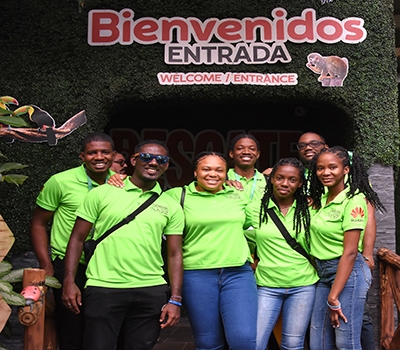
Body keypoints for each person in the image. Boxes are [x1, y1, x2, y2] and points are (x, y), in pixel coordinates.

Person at [62, 140, 184, 350]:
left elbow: (174, 254)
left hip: (151, 289)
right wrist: (69, 281)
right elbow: (77, 239)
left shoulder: (171, 205)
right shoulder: (101, 194)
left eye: (161, 160)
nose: (153, 162)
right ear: (134, 160)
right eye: (147, 157)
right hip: (104, 286)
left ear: (166, 165)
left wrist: (175, 299)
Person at [30, 132, 116, 350]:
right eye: (92, 153)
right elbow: (39, 223)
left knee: (102, 329)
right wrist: (46, 264)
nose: (99, 157)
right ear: (82, 156)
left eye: (105, 152)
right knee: (71, 329)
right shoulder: (60, 181)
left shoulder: (120, 184)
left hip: (105, 267)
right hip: (69, 265)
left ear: (113, 155)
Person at [166, 151, 258, 350]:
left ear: (227, 174)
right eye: (206, 169)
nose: (213, 174)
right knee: (208, 342)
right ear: (195, 172)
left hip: (238, 273)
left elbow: (257, 224)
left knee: (244, 339)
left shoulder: (237, 193)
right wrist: (116, 176)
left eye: (219, 170)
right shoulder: (176, 195)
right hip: (197, 274)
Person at [297, 132, 377, 350]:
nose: (325, 172)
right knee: (319, 342)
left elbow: (350, 252)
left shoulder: (354, 200)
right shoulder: (320, 199)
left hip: (347, 271)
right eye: (320, 168)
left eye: (332, 167)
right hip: (323, 272)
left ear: (346, 170)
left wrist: (333, 297)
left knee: (346, 341)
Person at [248, 158, 318, 350]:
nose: (285, 183)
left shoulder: (310, 209)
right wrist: (249, 259)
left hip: (303, 285)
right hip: (267, 285)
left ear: (300, 183)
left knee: (293, 344)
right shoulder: (256, 208)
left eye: (292, 179)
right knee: (255, 342)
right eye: (279, 178)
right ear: (271, 179)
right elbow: (235, 231)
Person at [227, 134, 266, 203]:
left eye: (252, 149)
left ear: (258, 154)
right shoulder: (222, 179)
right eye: (240, 148)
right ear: (231, 154)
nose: (246, 152)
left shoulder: (267, 180)